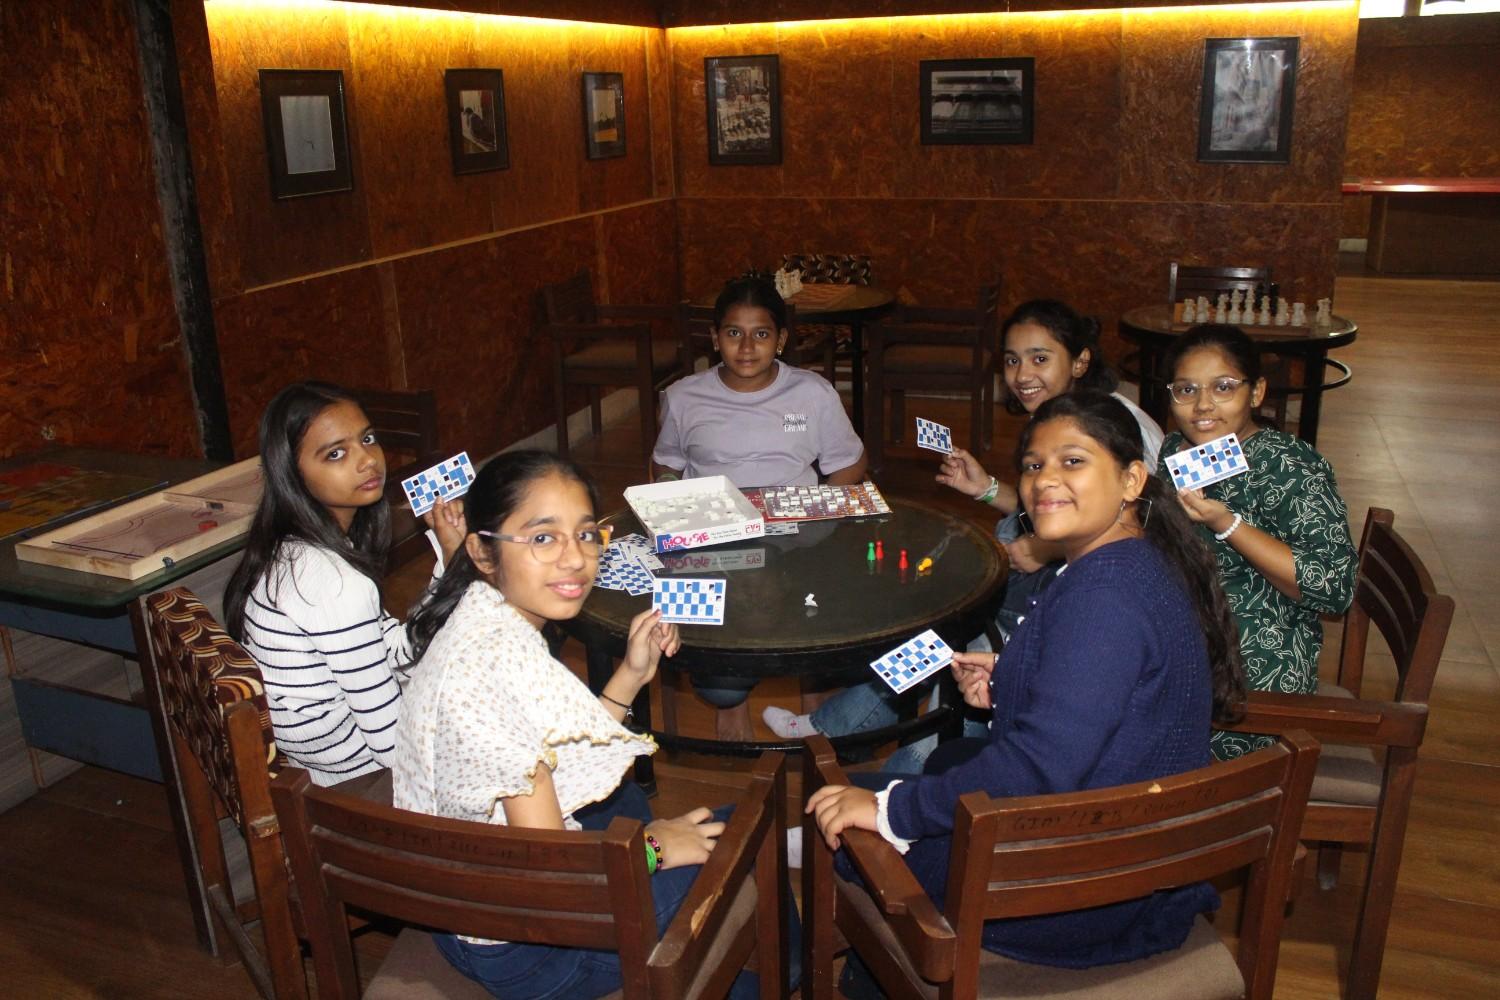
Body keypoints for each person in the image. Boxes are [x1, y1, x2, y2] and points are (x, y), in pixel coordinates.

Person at [806, 392, 1245, 991]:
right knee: (940, 763)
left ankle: (875, 976)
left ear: (1132, 479)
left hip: (1076, 896)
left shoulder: (1103, 598)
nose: (1044, 482)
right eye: (1034, 465)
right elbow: (1104, 700)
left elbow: (1041, 768)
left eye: (1073, 461)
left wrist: (890, 814)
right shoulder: (1135, 563)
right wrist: (1015, 678)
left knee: (843, 821)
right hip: (1129, 859)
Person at [393, 451, 796, 999]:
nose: (575, 559)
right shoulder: (500, 669)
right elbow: (555, 875)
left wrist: (630, 676)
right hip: (531, 948)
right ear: (482, 550)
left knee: (657, 810)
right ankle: (791, 974)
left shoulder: (482, 617)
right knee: (748, 826)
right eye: (542, 538)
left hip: (465, 909)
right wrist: (654, 848)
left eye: (586, 535)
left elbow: (555, 755)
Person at [764, 300, 1164, 770]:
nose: (1022, 373)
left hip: (1072, 599)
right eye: (1012, 360)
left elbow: (1146, 525)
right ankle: (844, 730)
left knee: (948, 634)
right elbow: (1063, 507)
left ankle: (900, 767)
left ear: (1079, 361)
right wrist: (987, 488)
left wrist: (1049, 550)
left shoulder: (1113, 425)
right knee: (935, 622)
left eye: (1040, 357)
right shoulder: (1059, 417)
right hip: (1045, 584)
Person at [653, 274, 867, 739]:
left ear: (782, 340)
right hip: (716, 533)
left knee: (823, 619)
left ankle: (815, 692)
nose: (746, 347)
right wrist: (671, 503)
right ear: (714, 339)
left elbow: (849, 464)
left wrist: (822, 507)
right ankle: (731, 701)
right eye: (733, 333)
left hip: (795, 532)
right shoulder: (684, 396)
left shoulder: (811, 393)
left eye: (761, 334)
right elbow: (664, 465)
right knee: (721, 688)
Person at [224, 381, 465, 786]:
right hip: (354, 783)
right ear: (292, 474)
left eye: (367, 439)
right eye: (336, 453)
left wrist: (448, 556)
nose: (368, 460)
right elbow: (392, 745)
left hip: (326, 761)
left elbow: (398, 648)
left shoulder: (296, 547)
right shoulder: (331, 582)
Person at [1158, 324, 1358, 760]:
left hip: (1253, 672)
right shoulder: (1176, 449)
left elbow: (1333, 590)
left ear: (1257, 391)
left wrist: (1225, 522)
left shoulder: (1292, 466)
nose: (1203, 405)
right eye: (1186, 389)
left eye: (1223, 387)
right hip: (1181, 635)